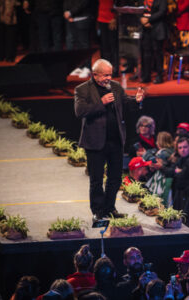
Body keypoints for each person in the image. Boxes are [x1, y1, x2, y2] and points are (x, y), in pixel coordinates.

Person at [74, 59, 144, 221]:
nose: (108, 78)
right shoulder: (82, 89)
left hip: (115, 141)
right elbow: (80, 111)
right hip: (95, 143)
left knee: (115, 178)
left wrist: (137, 101)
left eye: (110, 75)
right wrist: (101, 102)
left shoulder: (116, 87)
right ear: (95, 75)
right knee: (96, 179)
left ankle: (109, 208)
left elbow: (126, 104)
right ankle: (98, 211)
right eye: (105, 75)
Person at [140, 0, 168, 84]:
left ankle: (159, 76)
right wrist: (142, 20)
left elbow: (162, 12)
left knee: (158, 53)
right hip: (146, 29)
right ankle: (146, 76)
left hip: (157, 28)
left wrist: (149, 20)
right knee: (146, 53)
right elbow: (140, 10)